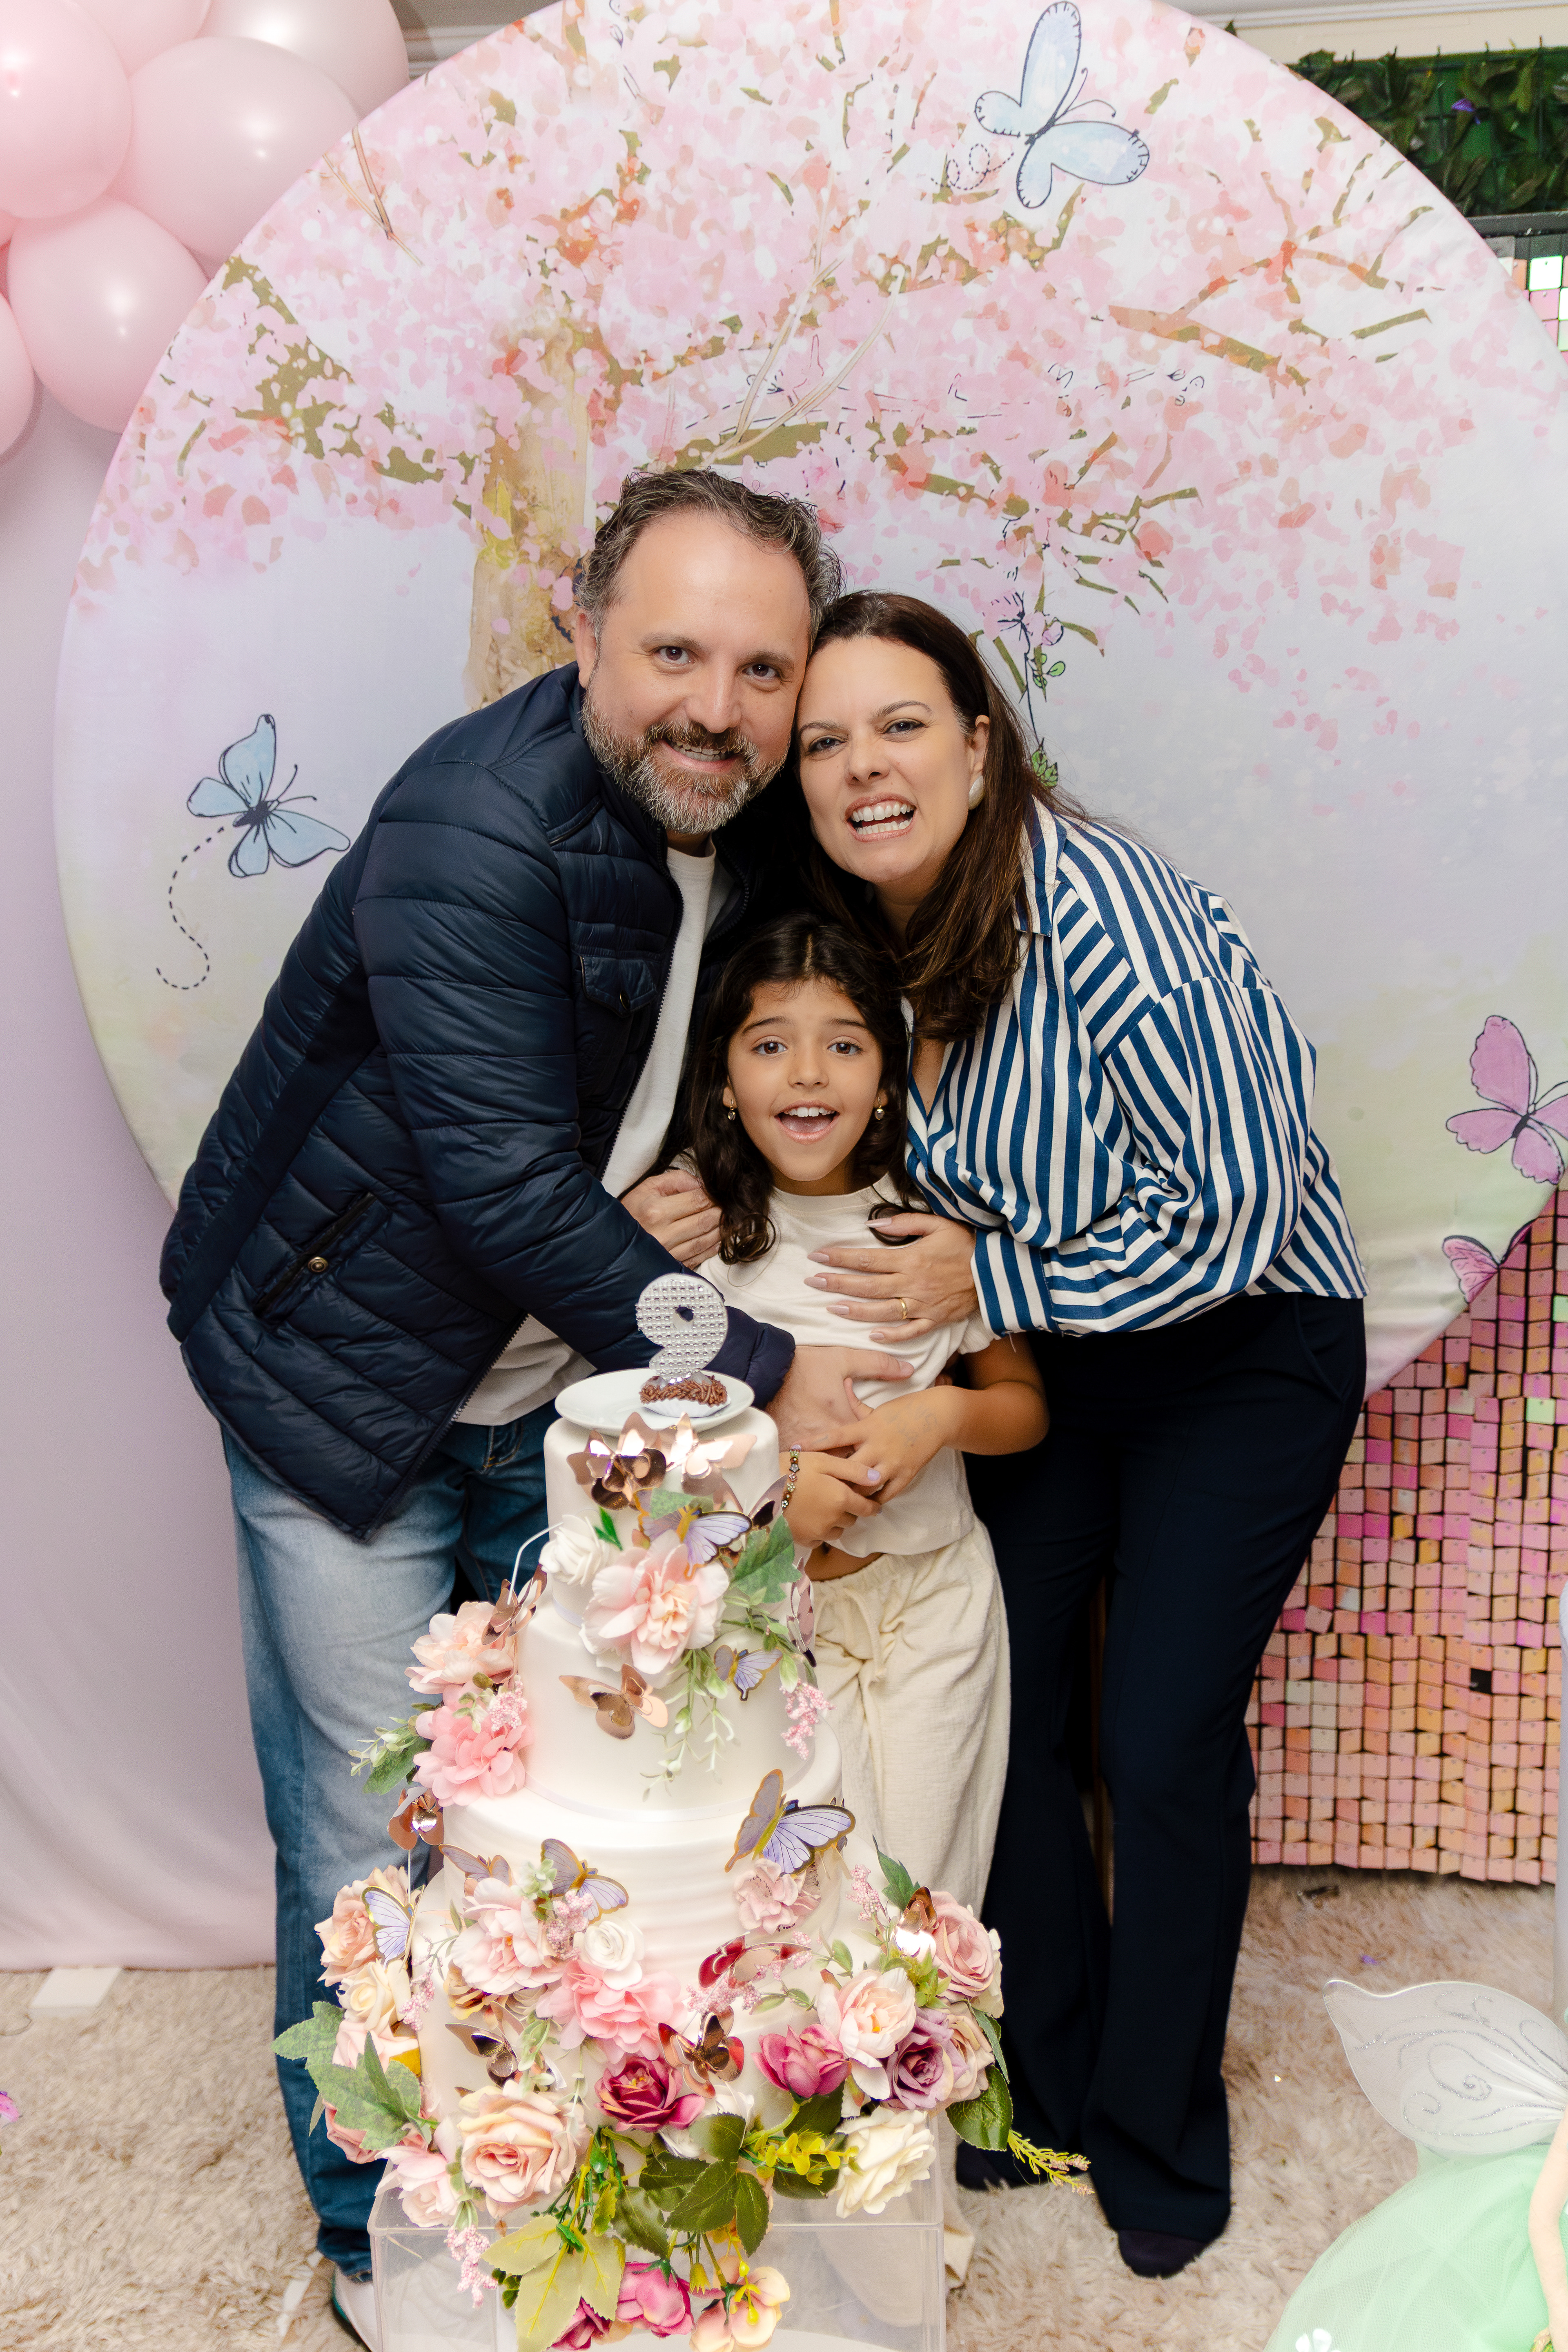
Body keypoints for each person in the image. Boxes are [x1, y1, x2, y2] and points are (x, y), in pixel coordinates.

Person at [158, 471, 912, 2345]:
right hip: (345, 1379)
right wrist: (762, 1361)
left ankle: (547, 2184)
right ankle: (370, 2250)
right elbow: (499, 1187)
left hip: (555, 1381)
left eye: (760, 667)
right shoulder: (471, 829)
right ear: (577, 631)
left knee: (560, 1827)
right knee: (367, 1835)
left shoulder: (741, 814)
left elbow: (743, 1041)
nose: (712, 706)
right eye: (671, 650)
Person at [784, 590, 1367, 2281]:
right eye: (827, 741)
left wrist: (990, 1264)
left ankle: (1158, 2130)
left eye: (900, 725)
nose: (862, 766)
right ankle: (1038, 2084)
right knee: (1007, 1707)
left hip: (1239, 1352)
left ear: (979, 742)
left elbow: (1245, 1210)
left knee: (1163, 1739)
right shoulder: (857, 918)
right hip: (1048, 1363)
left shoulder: (1103, 915)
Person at [674, 910, 1047, 1911]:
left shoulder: (926, 1227)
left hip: (933, 1606)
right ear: (723, 1076)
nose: (807, 1074)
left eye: (843, 1045)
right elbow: (655, 1458)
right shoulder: (694, 1242)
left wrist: (938, 1420)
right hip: (775, 1620)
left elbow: (1021, 1406)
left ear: (885, 1080)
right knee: (802, 1918)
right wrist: (773, 1500)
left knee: (924, 1912)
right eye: (770, 1046)